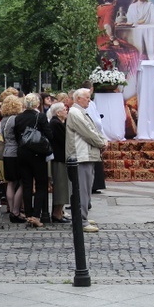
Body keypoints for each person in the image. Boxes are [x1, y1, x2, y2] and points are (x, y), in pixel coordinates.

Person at [65, 88, 107, 233]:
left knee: (86, 188)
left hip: (86, 155)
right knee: (82, 189)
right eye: (87, 98)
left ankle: (83, 217)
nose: (89, 100)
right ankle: (81, 220)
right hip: (81, 155)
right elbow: (88, 133)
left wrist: (102, 140)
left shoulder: (81, 112)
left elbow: (92, 130)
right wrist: (102, 143)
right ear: (78, 99)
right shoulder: (75, 113)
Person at [14, 93, 53, 228]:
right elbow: (49, 134)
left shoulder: (18, 117)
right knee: (41, 184)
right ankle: (36, 215)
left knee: (27, 185)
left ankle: (29, 215)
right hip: (37, 154)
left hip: (22, 153)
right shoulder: (40, 117)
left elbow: (16, 136)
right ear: (37, 104)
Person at [0, 95, 25, 223]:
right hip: (16, 152)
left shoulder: (3, 120)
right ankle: (16, 210)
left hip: (6, 152)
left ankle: (11, 209)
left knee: (10, 182)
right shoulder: (16, 119)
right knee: (22, 182)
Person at [48, 102, 71, 223]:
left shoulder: (58, 122)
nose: (66, 111)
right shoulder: (56, 123)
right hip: (59, 158)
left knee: (63, 186)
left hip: (60, 157)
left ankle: (59, 212)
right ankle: (57, 214)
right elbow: (65, 139)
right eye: (64, 109)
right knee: (61, 186)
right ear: (58, 113)